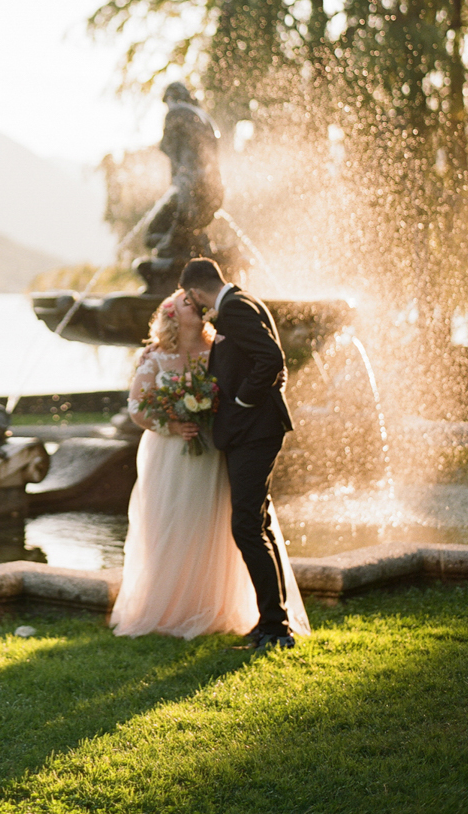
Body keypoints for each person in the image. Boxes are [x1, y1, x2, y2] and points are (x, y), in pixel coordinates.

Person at [110, 290, 308, 641]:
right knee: (171, 523)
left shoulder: (220, 346)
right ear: (172, 315)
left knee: (215, 525)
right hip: (170, 454)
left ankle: (218, 605)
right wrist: (172, 425)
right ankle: (171, 607)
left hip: (215, 450)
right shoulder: (154, 356)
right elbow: (137, 407)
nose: (198, 307)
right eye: (188, 304)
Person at [180, 256, 302, 651]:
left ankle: (276, 629)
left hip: (254, 430)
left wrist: (242, 399)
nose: (195, 306)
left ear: (196, 291)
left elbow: (271, 358)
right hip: (255, 431)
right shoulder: (245, 300)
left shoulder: (233, 309)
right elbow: (263, 357)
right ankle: (272, 623)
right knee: (257, 523)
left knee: (246, 526)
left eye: (191, 299)